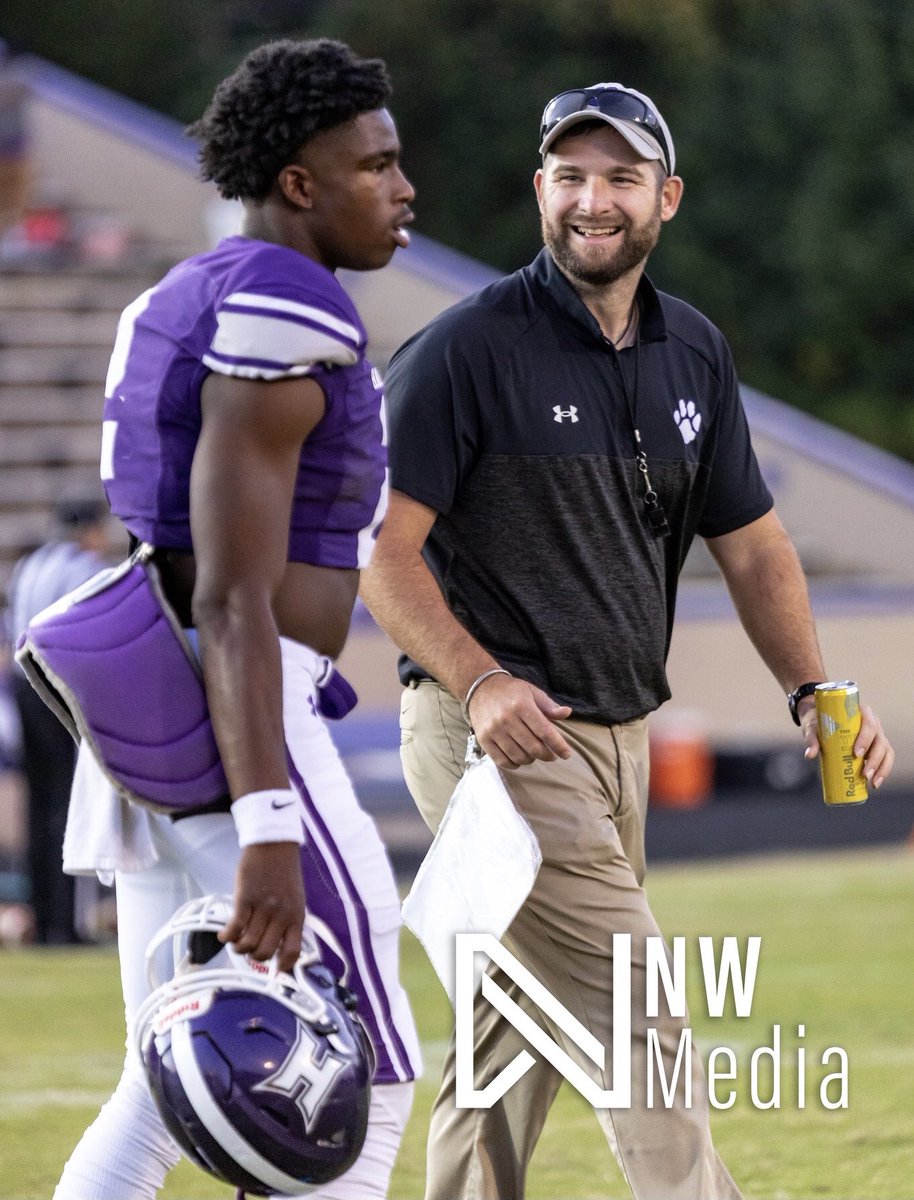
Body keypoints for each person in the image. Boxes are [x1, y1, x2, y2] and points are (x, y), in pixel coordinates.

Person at [360, 82, 895, 1200]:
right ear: (538, 191)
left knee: (512, 1037)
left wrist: (812, 688)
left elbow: (752, 547)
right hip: (493, 737)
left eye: (616, 177)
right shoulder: (463, 351)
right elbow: (384, 554)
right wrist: (482, 681)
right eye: (568, 176)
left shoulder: (691, 351)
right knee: (632, 1002)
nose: (590, 200)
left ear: (667, 197)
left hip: (615, 739)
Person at [52, 39, 421, 1200]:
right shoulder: (281, 301)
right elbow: (229, 592)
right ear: (299, 183)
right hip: (237, 727)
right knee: (369, 1061)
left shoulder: (193, 288)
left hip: (160, 715)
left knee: (154, 1084)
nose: (404, 189)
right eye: (377, 164)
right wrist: (268, 821)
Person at [6, 498, 114, 944]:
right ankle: (68, 923)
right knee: (69, 803)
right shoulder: (84, 567)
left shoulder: (28, 565)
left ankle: (45, 916)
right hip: (60, 687)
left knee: (38, 805)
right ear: (87, 530)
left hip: (22, 683)